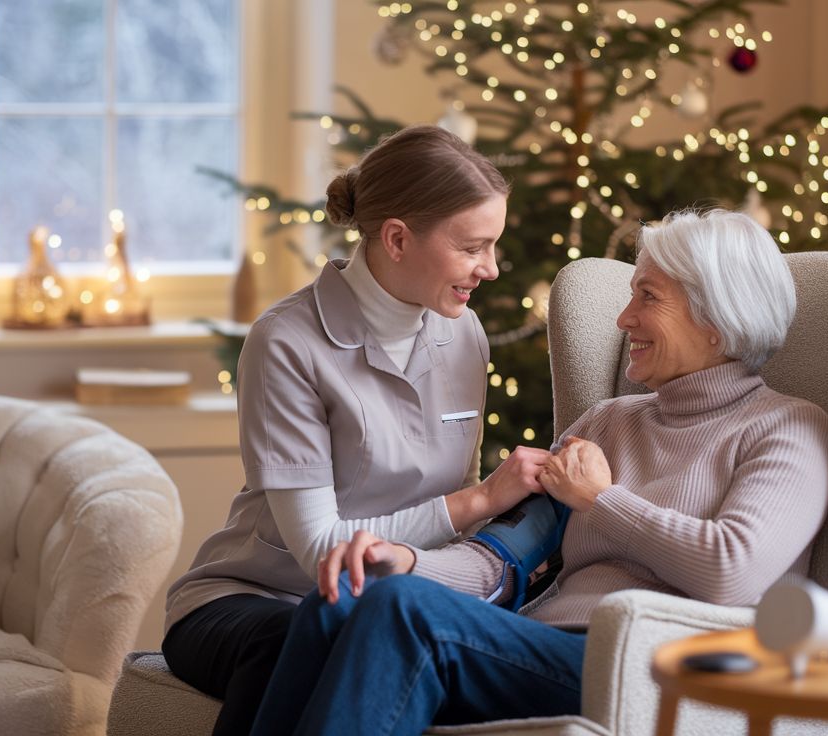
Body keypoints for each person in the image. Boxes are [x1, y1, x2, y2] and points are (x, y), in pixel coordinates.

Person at [247, 208, 828, 736]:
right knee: (341, 602)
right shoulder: (608, 422)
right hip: (542, 645)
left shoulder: (787, 429)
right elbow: (500, 557)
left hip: (659, 662)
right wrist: (405, 561)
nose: (624, 318)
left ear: (718, 318)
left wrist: (602, 500)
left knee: (403, 612)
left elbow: (730, 570)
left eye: (649, 298)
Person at [162, 125, 551, 735]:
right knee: (307, 640)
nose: (492, 269)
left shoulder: (466, 336)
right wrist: (478, 500)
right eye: (474, 247)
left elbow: (454, 522)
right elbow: (324, 552)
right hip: (248, 601)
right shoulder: (286, 341)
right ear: (397, 238)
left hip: (387, 599)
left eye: (494, 246)